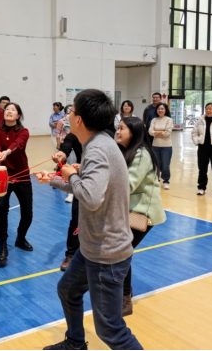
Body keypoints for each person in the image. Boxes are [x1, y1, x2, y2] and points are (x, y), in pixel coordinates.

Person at [35, 89, 142, 351]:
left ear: (79, 120)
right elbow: (91, 187)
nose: (67, 115)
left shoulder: (97, 149)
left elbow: (91, 198)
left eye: (71, 111)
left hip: (107, 254)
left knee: (110, 330)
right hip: (92, 248)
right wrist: (56, 180)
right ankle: (75, 344)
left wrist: (70, 174)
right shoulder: (100, 143)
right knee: (68, 290)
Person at [116, 117, 167, 317]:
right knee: (121, 251)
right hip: (128, 210)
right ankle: (123, 291)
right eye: (118, 127)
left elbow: (127, 185)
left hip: (142, 212)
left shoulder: (142, 154)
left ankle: (125, 298)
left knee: (121, 251)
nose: (117, 131)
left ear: (134, 132)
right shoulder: (125, 151)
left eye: (122, 128)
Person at [0, 103, 32, 268]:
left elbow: (18, 144)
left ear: (18, 115)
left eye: (13, 110)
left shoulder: (24, 131)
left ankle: (20, 238)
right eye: (7, 109)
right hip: (3, 175)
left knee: (27, 214)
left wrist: (6, 152)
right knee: (2, 209)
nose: (9, 111)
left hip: (22, 175)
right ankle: (2, 246)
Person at [52, 130, 82, 271]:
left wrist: (84, 166)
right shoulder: (73, 135)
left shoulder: (103, 134)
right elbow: (66, 149)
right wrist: (60, 155)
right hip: (80, 180)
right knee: (76, 218)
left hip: (99, 181)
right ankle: (71, 254)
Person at [149, 103, 173, 190]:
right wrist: (162, 131)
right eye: (159, 109)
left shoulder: (169, 120)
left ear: (165, 110)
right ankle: (156, 180)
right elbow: (150, 132)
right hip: (155, 146)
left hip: (166, 146)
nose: (160, 110)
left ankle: (166, 181)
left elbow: (167, 133)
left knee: (165, 165)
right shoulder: (154, 120)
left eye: (162, 109)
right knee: (156, 165)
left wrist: (156, 132)